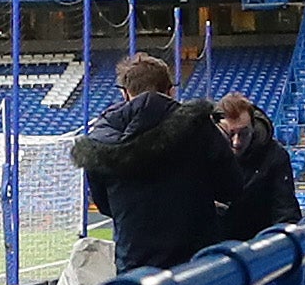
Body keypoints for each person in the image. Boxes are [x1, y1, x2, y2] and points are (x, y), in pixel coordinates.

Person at [71, 52, 224, 273]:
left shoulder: (99, 141)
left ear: (125, 94)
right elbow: (231, 186)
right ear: (170, 91)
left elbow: (103, 203)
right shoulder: (201, 129)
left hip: (134, 261)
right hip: (195, 262)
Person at [203, 91, 300, 243]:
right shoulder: (202, 153)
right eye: (230, 134)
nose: (236, 142)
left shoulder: (275, 156)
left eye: (244, 133)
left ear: (253, 127)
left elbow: (286, 214)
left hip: (259, 250)